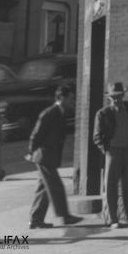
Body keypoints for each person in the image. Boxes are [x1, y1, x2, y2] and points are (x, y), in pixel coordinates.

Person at [27, 85, 82, 229]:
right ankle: (64, 216)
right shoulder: (50, 113)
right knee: (56, 186)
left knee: (44, 187)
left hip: (48, 156)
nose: (72, 101)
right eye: (70, 98)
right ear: (62, 98)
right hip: (44, 156)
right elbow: (36, 134)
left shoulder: (60, 112)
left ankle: (35, 219)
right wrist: (30, 151)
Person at [93, 82, 128, 229]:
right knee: (110, 186)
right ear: (109, 97)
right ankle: (112, 219)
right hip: (112, 151)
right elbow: (97, 136)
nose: (116, 100)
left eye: (119, 96)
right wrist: (106, 149)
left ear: (123, 95)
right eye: (113, 97)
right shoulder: (103, 113)